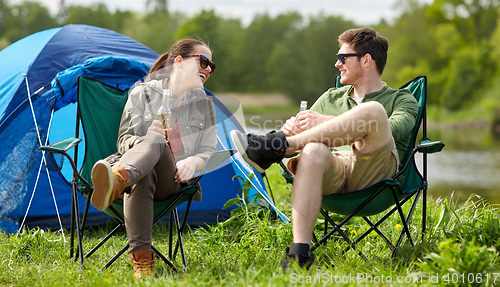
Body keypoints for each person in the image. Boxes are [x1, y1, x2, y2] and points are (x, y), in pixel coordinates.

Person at [230, 27, 418, 270]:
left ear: (367, 60)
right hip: (333, 172)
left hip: (376, 174)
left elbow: (390, 130)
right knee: (312, 151)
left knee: (373, 111)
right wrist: (292, 132)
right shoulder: (330, 98)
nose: (337, 64)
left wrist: (322, 122)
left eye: (343, 58)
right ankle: (300, 254)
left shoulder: (401, 99)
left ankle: (272, 144)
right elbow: (304, 142)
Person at [90, 38, 217, 278]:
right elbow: (124, 139)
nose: (208, 69)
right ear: (179, 62)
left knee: (157, 141)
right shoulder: (143, 93)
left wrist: (193, 162)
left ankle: (117, 179)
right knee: (146, 167)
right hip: (142, 173)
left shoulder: (204, 105)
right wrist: (140, 141)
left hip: (172, 181)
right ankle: (143, 265)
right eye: (203, 61)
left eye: (212, 65)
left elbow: (208, 150)